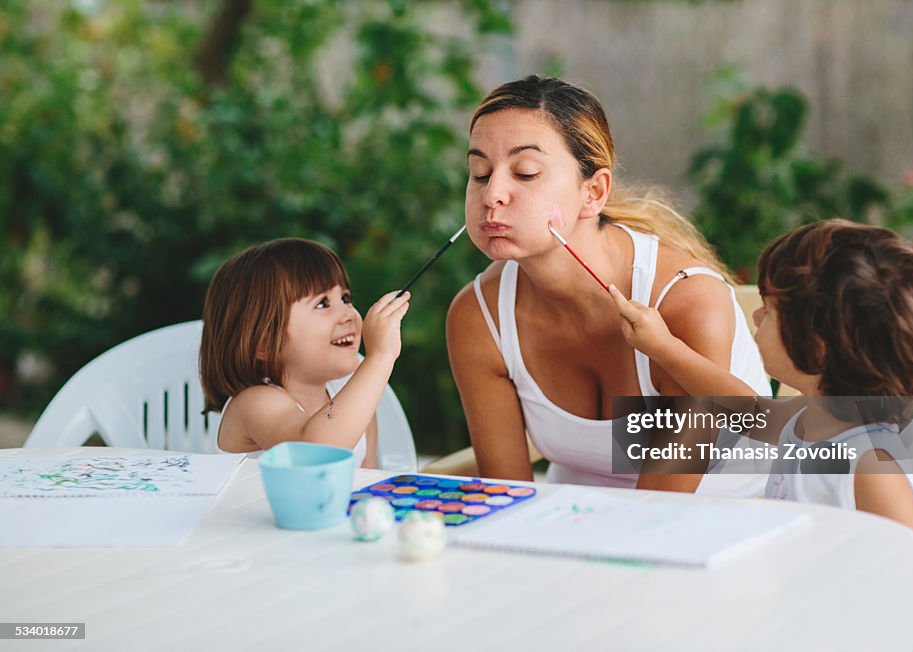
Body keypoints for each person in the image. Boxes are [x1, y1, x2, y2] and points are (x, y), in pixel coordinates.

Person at [610, 219, 913, 651]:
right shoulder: (813, 420)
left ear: (816, 348)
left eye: (769, 309)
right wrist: (662, 347)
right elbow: (744, 410)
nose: (757, 316)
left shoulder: (869, 465)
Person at [446, 75, 770, 494]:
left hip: (727, 527)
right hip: (580, 522)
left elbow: (660, 509)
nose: (493, 194)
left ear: (593, 193)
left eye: (525, 173)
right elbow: (505, 496)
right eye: (480, 172)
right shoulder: (479, 316)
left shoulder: (685, 302)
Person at [199, 238, 410, 468]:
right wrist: (379, 358)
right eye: (322, 304)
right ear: (265, 343)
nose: (349, 314)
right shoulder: (255, 402)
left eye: (345, 298)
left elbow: (365, 483)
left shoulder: (351, 398)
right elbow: (313, 452)